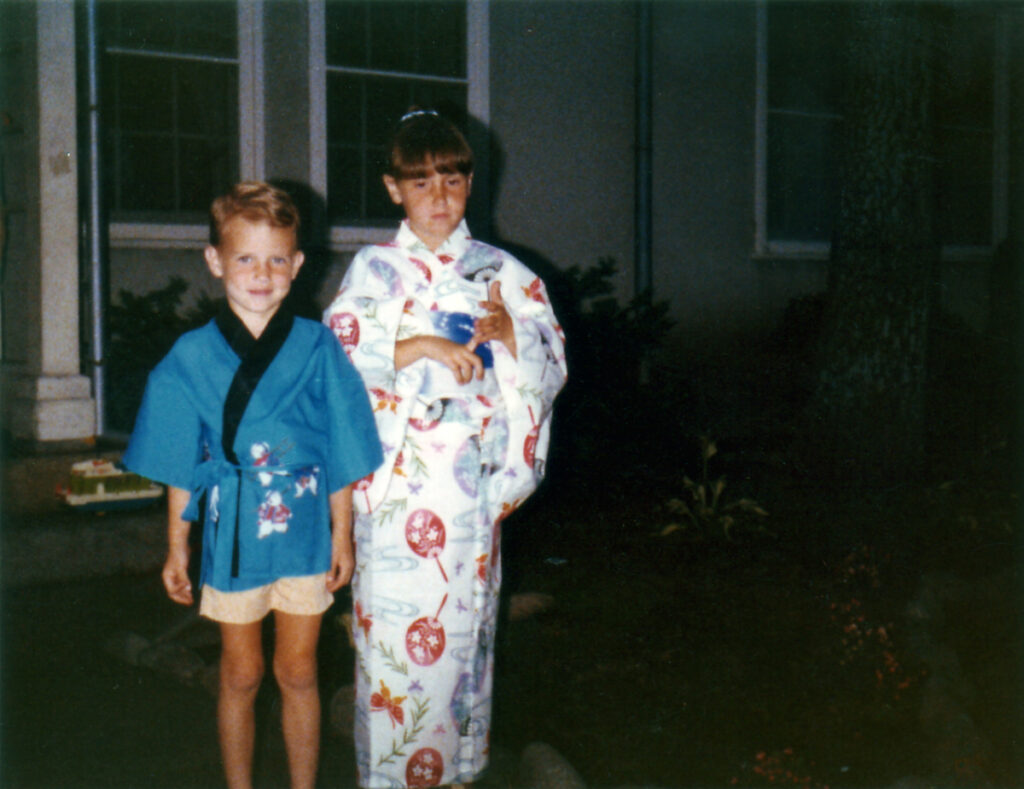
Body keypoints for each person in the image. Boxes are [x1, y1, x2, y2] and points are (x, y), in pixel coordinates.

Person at [324, 109, 567, 788]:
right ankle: (395, 775)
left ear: (470, 184)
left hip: (471, 487)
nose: (439, 196)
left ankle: (456, 771)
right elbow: (339, 355)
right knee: (398, 646)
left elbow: (550, 361)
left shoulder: (501, 271)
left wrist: (512, 337)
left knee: (463, 631)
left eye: (453, 180)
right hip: (401, 488)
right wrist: (418, 345)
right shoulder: (375, 270)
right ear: (393, 188)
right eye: (422, 182)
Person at [123, 181, 383, 789]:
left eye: (276, 259)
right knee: (240, 673)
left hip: (304, 534)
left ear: (297, 265)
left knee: (297, 671)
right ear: (215, 262)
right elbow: (182, 462)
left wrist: (343, 535)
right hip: (233, 534)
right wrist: (176, 544)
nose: (260, 274)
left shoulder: (319, 348)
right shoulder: (190, 356)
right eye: (245, 258)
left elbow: (339, 448)